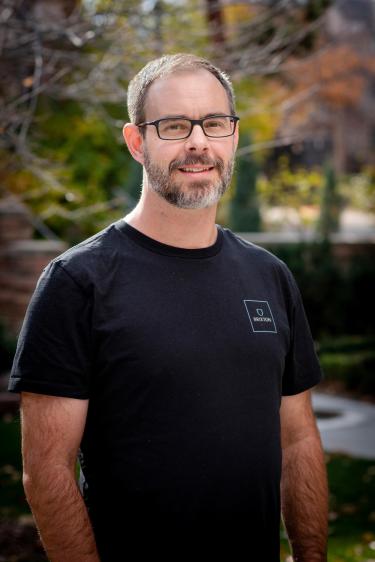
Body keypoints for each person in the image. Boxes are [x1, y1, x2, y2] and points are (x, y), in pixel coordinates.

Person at [8, 53, 328, 562]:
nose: (198, 142)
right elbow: (46, 471)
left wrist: (312, 555)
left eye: (214, 123)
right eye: (175, 126)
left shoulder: (269, 276)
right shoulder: (77, 282)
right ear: (137, 142)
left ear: (234, 136)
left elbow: (299, 441)